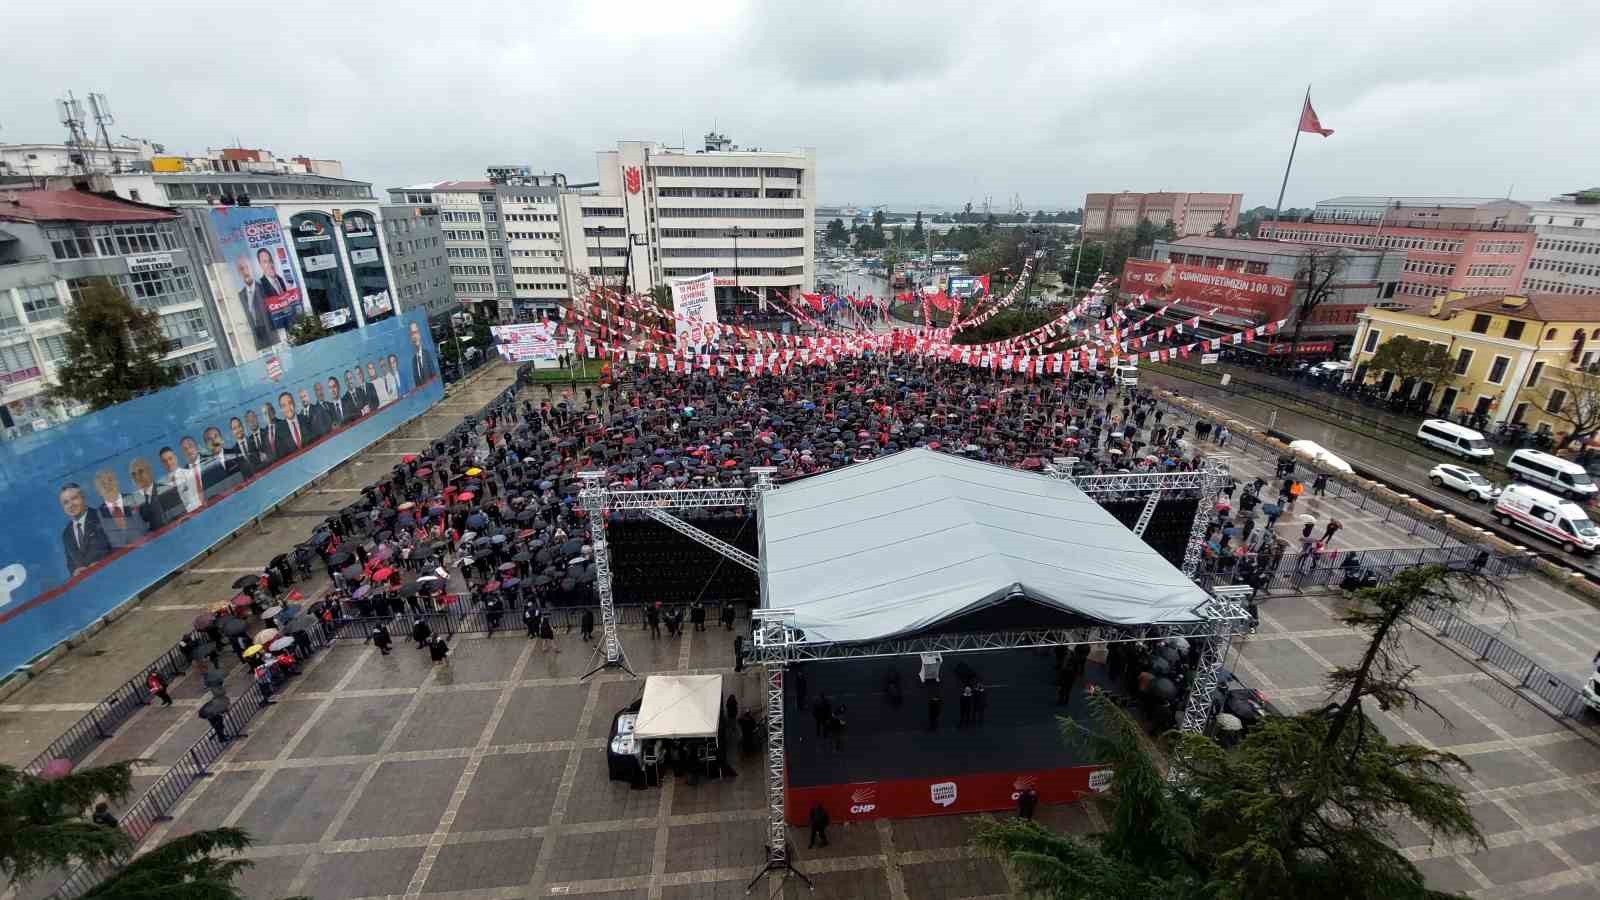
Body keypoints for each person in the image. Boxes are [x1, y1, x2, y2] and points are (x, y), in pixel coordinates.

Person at [60, 482, 112, 576]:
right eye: (66, 502)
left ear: (83, 497)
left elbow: (119, 546)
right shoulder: (66, 534)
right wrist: (75, 571)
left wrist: (101, 563)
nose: (71, 505)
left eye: (74, 498)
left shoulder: (102, 516)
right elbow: (71, 564)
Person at [92, 468, 146, 548]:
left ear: (117, 482)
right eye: (103, 484)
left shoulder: (136, 498)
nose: (108, 486)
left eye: (110, 480)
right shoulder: (97, 516)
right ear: (98, 492)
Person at [274, 391, 309, 459]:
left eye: (290, 403)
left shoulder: (306, 419)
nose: (288, 408)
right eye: (284, 406)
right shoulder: (279, 431)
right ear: (281, 409)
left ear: (294, 403)